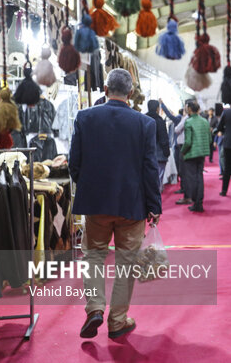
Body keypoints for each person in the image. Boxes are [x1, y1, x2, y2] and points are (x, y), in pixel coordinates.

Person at [69, 69, 161, 339]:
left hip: (95, 203)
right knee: (126, 262)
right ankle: (118, 320)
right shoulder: (145, 124)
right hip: (131, 205)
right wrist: (154, 205)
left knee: (94, 255)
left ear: (105, 90)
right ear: (130, 94)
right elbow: (149, 168)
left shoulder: (85, 117)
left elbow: (75, 162)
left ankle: (95, 308)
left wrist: (88, 185)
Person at [181, 101, 212, 212]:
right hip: (202, 153)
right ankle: (199, 203)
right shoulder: (205, 121)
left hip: (191, 154)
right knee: (199, 177)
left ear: (189, 109)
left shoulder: (188, 122)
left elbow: (188, 142)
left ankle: (196, 202)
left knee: (192, 179)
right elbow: (209, 139)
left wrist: (182, 151)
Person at [160, 99, 184, 189]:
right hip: (182, 144)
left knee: (178, 162)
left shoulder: (178, 119)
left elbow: (169, 115)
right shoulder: (185, 119)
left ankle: (179, 179)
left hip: (178, 145)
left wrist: (162, 104)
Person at [146, 100, 170, 187]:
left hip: (145, 155)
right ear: (157, 108)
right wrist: (167, 152)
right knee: (158, 179)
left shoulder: (143, 119)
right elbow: (163, 139)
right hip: (159, 154)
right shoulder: (159, 121)